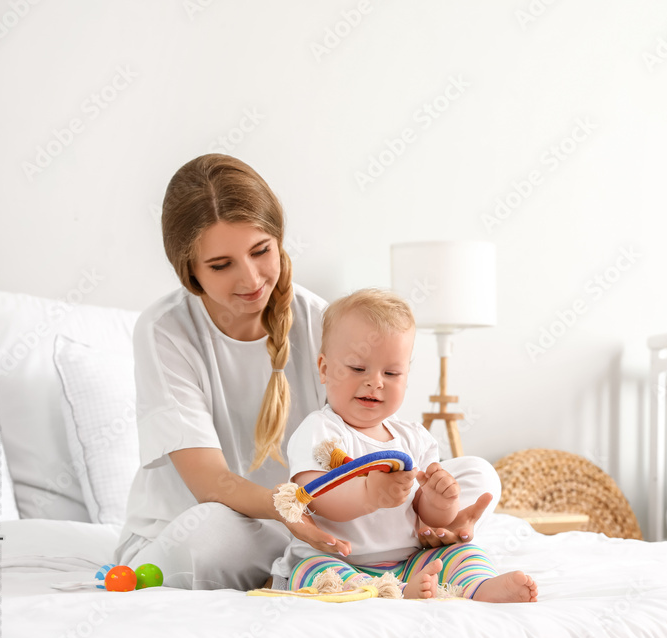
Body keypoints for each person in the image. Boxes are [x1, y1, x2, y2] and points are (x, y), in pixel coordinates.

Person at [113, 153, 500, 590]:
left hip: (322, 516)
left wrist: (424, 504)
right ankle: (349, 563)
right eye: (221, 265)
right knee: (210, 532)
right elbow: (211, 482)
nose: (251, 278)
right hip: (234, 523)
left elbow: (348, 449)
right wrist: (294, 509)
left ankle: (404, 553)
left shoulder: (320, 319)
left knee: (477, 475)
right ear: (190, 272)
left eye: (261, 251)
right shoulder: (164, 331)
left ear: (278, 240)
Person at [269, 288, 537, 602]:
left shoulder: (414, 438)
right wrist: (369, 495)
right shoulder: (320, 430)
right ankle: (387, 592)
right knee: (314, 573)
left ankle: (480, 586)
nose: (375, 382)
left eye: (392, 373)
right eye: (358, 368)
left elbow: (428, 516)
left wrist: (440, 501)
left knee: (463, 552)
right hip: (338, 559)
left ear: (406, 378)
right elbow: (313, 497)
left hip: (407, 561)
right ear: (325, 369)